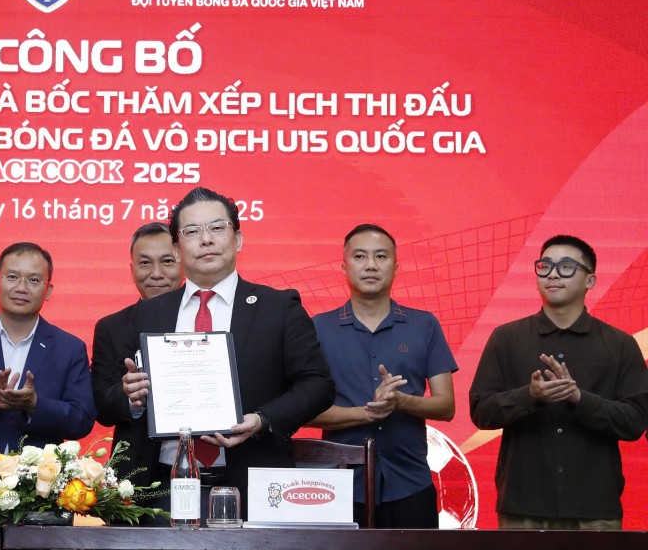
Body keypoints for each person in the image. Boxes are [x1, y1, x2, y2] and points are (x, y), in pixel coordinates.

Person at [102, 186, 335, 505]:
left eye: (216, 227)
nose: (206, 239)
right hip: (160, 489)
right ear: (177, 249)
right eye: (192, 231)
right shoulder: (149, 312)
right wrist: (132, 397)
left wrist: (261, 419)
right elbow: (109, 401)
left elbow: (318, 385)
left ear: (237, 239)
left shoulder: (278, 307)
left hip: (254, 487)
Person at [470, 235, 648, 529]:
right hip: (523, 506)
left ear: (590, 280)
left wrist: (580, 399)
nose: (552, 274)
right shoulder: (506, 338)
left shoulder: (620, 345)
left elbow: (636, 422)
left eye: (566, 266)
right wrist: (529, 396)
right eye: (545, 266)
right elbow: (481, 412)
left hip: (594, 508)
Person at [309, 224, 457, 528]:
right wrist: (367, 413)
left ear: (396, 267)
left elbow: (446, 406)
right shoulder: (318, 328)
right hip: (338, 487)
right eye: (360, 256)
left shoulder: (424, 325)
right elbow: (305, 412)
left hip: (410, 482)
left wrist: (401, 401)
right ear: (344, 267)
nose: (371, 265)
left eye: (381, 256)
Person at [0, 242, 96, 472]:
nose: (21, 288)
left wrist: (35, 405)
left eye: (33, 280)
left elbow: (82, 420)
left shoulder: (70, 348)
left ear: (48, 290)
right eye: (12, 277)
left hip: (45, 481)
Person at [91, 222, 183, 486]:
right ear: (131, 270)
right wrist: (130, 397)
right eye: (145, 263)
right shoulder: (112, 327)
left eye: (167, 261)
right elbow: (101, 405)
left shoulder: (210, 318)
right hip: (141, 477)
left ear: (183, 262)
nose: (156, 274)